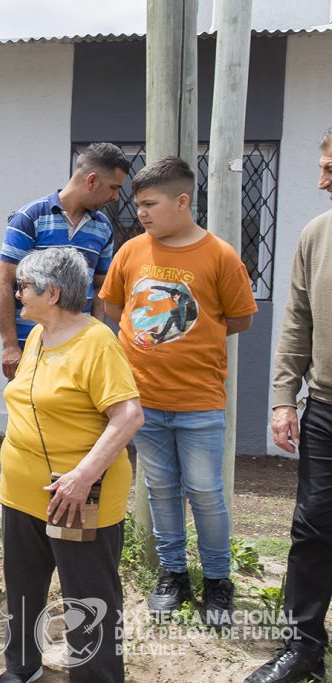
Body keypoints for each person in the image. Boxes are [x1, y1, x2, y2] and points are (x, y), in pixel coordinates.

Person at [100, 156, 256, 626]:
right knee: (160, 490)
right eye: (137, 204)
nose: (140, 213)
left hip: (199, 401)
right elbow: (113, 307)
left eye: (149, 204)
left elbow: (241, 317)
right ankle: (173, 575)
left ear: (183, 201)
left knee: (206, 492)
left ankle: (217, 581)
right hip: (142, 402)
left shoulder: (220, 255)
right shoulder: (131, 251)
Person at [0, 247, 142, 683]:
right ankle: (22, 668)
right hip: (22, 492)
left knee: (88, 597)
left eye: (23, 286)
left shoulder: (97, 342)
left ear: (53, 292)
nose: (16, 292)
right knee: (23, 589)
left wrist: (83, 476)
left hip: (76, 495)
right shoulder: (40, 333)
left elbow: (129, 415)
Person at [245, 130, 332, 683]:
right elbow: (296, 320)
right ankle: (304, 649)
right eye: (322, 166)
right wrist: (283, 398)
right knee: (312, 528)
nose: (322, 180)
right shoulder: (315, 234)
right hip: (324, 407)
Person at [0, 142, 130, 380]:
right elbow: (4, 282)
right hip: (30, 347)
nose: (116, 196)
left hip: (79, 350)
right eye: (113, 187)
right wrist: (9, 345)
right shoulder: (30, 218)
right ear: (91, 180)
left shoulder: (103, 227)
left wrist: (94, 335)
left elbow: (99, 287)